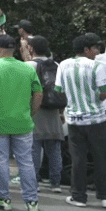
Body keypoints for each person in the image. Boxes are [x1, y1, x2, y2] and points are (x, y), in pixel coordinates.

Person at [0, 33, 43, 211]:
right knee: (26, 162)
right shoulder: (28, 69)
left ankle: (3, 198)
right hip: (22, 122)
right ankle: (32, 201)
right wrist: (32, 112)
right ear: (13, 50)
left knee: (0, 162)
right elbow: (38, 94)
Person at [56, 22, 106, 208]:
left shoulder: (64, 65)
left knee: (78, 159)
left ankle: (78, 196)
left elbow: (59, 90)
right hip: (97, 119)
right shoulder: (96, 65)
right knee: (101, 157)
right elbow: (104, 93)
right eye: (96, 48)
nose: (98, 51)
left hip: (75, 119)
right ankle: (105, 196)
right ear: (87, 49)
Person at [26, 35, 65, 193]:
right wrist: (61, 112)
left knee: (34, 148)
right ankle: (56, 183)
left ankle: (34, 182)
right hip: (54, 111)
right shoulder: (56, 64)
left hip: (35, 111)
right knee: (54, 148)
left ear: (31, 48)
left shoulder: (28, 66)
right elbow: (60, 90)